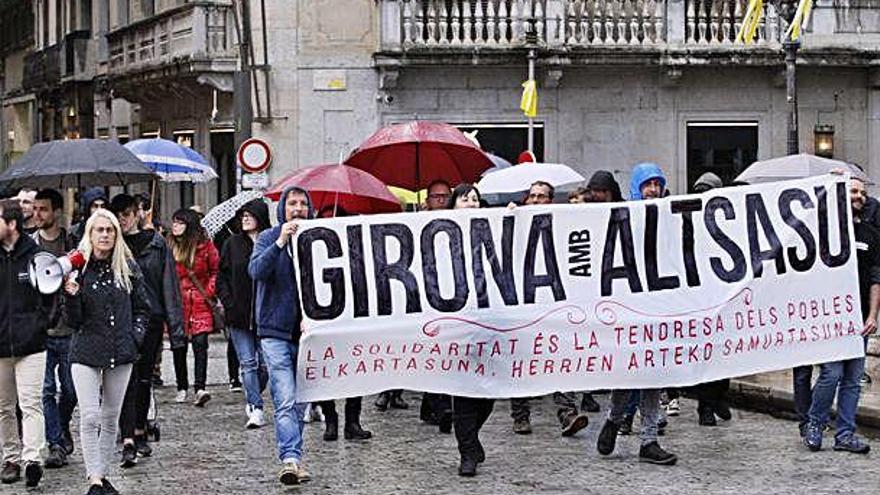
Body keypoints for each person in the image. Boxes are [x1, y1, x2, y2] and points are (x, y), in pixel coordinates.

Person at [596, 162, 677, 465]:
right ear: (637, 188)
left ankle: (649, 440)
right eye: (647, 185)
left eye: (657, 184)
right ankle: (614, 418)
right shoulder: (620, 218)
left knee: (653, 374)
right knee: (628, 371)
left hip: (659, 306)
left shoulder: (669, 216)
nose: (653, 190)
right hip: (629, 307)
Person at [64, 208, 149, 495]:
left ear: (116, 234)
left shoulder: (127, 267)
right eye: (99, 230)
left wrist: (134, 337)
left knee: (111, 416)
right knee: (89, 416)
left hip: (121, 350)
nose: (105, 235)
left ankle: (101, 475)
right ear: (89, 234)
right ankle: (94, 480)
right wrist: (71, 295)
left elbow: (143, 308)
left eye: (109, 230)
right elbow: (72, 322)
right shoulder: (79, 268)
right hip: (86, 350)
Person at [803, 176, 879, 454]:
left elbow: (875, 278)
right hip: (830, 319)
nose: (858, 196)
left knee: (853, 378)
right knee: (831, 374)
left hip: (859, 319)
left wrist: (872, 315)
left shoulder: (871, 234)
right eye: (852, 191)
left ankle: (845, 434)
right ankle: (815, 423)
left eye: (861, 192)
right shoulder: (824, 232)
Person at [110, 194, 186, 468]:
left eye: (127, 213)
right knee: (124, 380)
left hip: (151, 319)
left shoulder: (156, 244)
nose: (123, 219)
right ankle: (128, 437)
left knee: (143, 379)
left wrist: (176, 328)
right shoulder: (112, 246)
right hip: (120, 321)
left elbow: (169, 285)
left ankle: (140, 429)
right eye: (117, 214)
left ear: (138, 214)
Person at [509, 181, 589, 437]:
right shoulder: (516, 222)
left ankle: (567, 413)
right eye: (531, 195)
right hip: (523, 301)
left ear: (551, 201)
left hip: (553, 300)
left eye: (541, 196)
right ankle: (520, 415)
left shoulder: (561, 225)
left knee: (559, 358)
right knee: (520, 358)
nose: (535, 200)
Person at [249, 186, 312, 486]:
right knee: (285, 398)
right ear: (282, 209)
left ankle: (295, 455)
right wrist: (280, 242)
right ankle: (290, 459)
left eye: (302, 203)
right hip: (274, 332)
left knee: (301, 402)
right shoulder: (266, 238)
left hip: (309, 334)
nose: (297, 208)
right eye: (292, 203)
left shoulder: (318, 240)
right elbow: (256, 271)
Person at [443, 184, 495, 477]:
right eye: (465, 199)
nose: (472, 204)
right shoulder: (438, 236)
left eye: (476, 199)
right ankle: (467, 454)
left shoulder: (491, 230)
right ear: (453, 205)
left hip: (488, 325)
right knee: (463, 390)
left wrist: (514, 217)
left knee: (487, 393)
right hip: (454, 325)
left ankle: (470, 438)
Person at [0, 199, 50, 487]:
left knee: (31, 403)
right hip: (0, 344)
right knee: (5, 406)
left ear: (12, 224)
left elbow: (50, 294)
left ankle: (32, 458)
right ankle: (10, 458)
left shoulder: (35, 255)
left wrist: (42, 324)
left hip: (30, 343)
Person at [313, 206, 373, 442]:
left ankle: (352, 421)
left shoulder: (357, 249)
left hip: (351, 316)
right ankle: (331, 419)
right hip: (323, 316)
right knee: (326, 372)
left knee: (354, 371)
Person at [32, 189, 78, 469]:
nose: (37, 214)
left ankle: (61, 425)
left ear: (57, 212)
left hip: (70, 327)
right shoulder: (30, 246)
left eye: (43, 209)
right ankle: (56, 443)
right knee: (46, 390)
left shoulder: (72, 243)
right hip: (40, 330)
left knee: (72, 391)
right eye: (35, 209)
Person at [217, 199, 271, 430]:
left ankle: (253, 393)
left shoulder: (270, 241)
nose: (245, 218)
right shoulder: (232, 244)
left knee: (265, 365)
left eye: (250, 214)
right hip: (238, 315)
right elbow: (221, 276)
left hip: (266, 314)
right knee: (248, 363)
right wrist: (229, 303)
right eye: (243, 215)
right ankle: (256, 407)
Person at [168, 208, 219, 407]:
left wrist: (209, 291)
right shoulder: (168, 245)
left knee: (200, 343)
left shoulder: (205, 246)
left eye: (180, 223)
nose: (175, 226)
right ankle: (182, 386)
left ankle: (200, 387)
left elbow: (215, 270)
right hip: (177, 301)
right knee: (178, 344)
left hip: (200, 299)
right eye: (174, 222)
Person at [416, 179, 453, 433]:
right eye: (436, 196)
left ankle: (438, 406)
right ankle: (437, 406)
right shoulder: (417, 223)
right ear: (427, 199)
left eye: (445, 196)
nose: (441, 200)